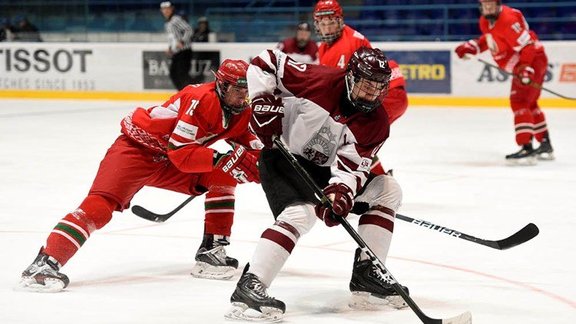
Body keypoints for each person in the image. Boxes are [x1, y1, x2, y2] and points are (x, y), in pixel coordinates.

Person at [19, 59, 263, 292]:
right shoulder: (201, 99)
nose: (244, 96)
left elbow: (253, 150)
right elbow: (181, 153)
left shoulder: (240, 111)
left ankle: (212, 253)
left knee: (225, 175)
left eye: (247, 90)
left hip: (168, 159)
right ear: (222, 85)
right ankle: (45, 263)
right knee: (100, 207)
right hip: (137, 151)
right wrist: (221, 159)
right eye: (239, 89)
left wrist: (263, 168)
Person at [225, 47, 409, 321]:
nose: (371, 94)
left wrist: (341, 194)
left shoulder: (377, 123)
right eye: (366, 85)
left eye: (377, 88)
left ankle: (367, 274)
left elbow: (353, 167)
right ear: (350, 77)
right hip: (280, 153)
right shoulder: (318, 80)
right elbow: (266, 61)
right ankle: (251, 285)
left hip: (321, 168)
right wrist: (262, 100)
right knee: (300, 214)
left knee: (388, 190)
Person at [313, 0, 408, 175]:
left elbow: (340, 90)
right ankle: (379, 179)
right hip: (380, 91)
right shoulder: (324, 47)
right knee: (355, 138)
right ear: (317, 25)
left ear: (340, 21)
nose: (327, 28)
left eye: (331, 22)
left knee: (356, 138)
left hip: (386, 94)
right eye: (323, 23)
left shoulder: (346, 44)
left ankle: (379, 183)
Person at [455, 0, 554, 164]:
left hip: (532, 61)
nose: (488, 8)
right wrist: (472, 47)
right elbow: (491, 41)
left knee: (519, 101)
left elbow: (528, 45)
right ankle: (545, 144)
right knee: (530, 103)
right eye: (485, 5)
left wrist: (525, 67)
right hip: (528, 62)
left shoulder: (508, 20)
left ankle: (526, 147)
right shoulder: (485, 21)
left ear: (498, 4)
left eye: (491, 5)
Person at [160, 1, 194, 90]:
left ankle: (191, 94)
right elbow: (173, 38)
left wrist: (182, 41)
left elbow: (189, 30)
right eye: (164, 9)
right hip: (177, 53)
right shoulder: (167, 23)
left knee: (182, 74)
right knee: (174, 74)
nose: (166, 11)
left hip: (184, 51)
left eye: (167, 9)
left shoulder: (176, 19)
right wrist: (170, 48)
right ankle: (183, 94)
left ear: (172, 9)